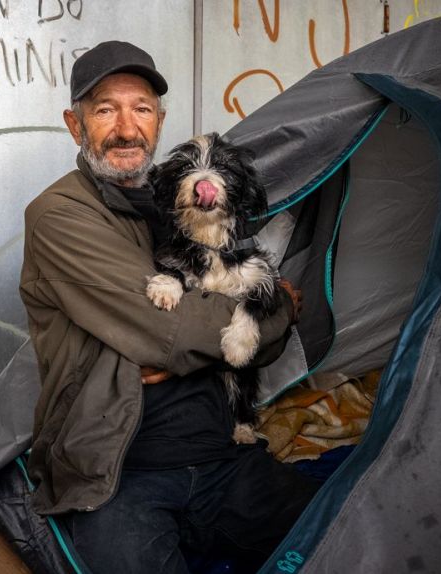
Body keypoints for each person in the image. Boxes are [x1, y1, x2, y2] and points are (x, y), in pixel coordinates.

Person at [19, 41, 319, 574]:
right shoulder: (60, 216)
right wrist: (276, 310)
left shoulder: (179, 208)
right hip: (118, 470)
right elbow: (178, 332)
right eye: (105, 109)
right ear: (75, 123)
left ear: (160, 121)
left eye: (141, 109)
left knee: (342, 532)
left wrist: (269, 313)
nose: (127, 129)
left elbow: (252, 338)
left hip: (218, 453)